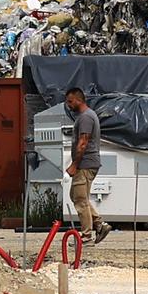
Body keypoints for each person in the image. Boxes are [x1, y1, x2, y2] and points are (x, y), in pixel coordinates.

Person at [63, 87, 113, 244]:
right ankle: (99, 224)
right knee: (76, 196)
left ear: (79, 100)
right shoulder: (85, 116)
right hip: (86, 163)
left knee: (80, 200)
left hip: (85, 164)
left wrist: (74, 165)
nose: (68, 105)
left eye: (70, 101)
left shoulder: (86, 118)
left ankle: (86, 236)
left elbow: (83, 143)